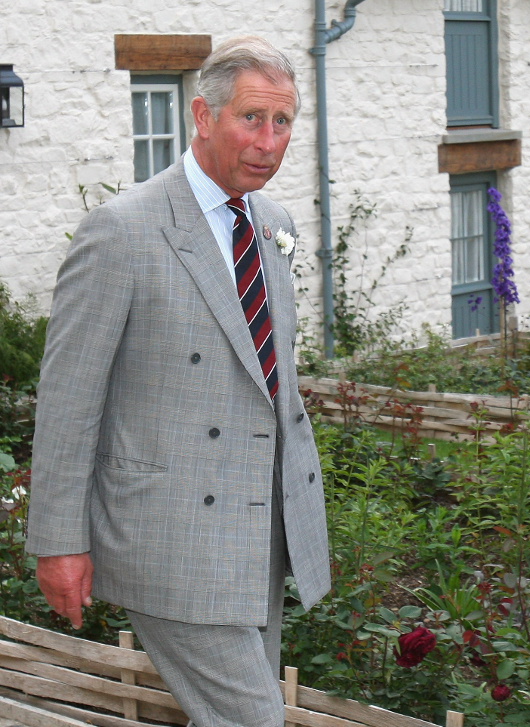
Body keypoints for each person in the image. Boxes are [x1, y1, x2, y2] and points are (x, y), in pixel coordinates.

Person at [26, 36, 330, 727]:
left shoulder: (273, 224)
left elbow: (265, 383)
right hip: (171, 538)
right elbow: (69, 402)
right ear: (202, 115)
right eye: (252, 118)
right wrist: (58, 541)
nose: (269, 140)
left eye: (283, 123)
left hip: (262, 532)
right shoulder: (122, 230)